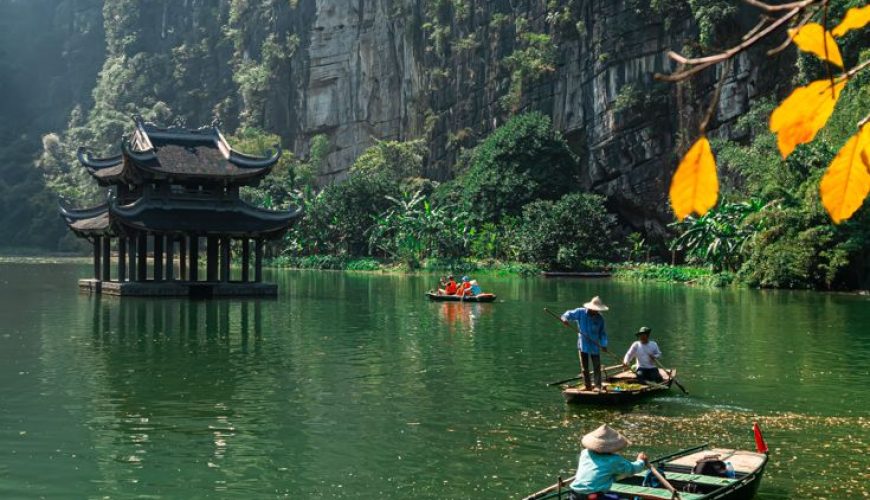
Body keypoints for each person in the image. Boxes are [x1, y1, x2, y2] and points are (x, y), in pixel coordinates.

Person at [569, 424, 648, 499]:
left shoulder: (585, 453)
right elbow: (632, 469)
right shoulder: (613, 460)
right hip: (593, 497)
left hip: (574, 494)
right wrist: (641, 461)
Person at [561, 296, 609, 391]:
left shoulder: (600, 319)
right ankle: (587, 386)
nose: (595, 311)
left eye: (597, 310)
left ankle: (597, 386)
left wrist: (604, 345)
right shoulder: (580, 312)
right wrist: (564, 319)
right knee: (584, 368)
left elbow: (602, 334)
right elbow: (567, 314)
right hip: (583, 345)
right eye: (594, 309)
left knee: (596, 366)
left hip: (595, 345)